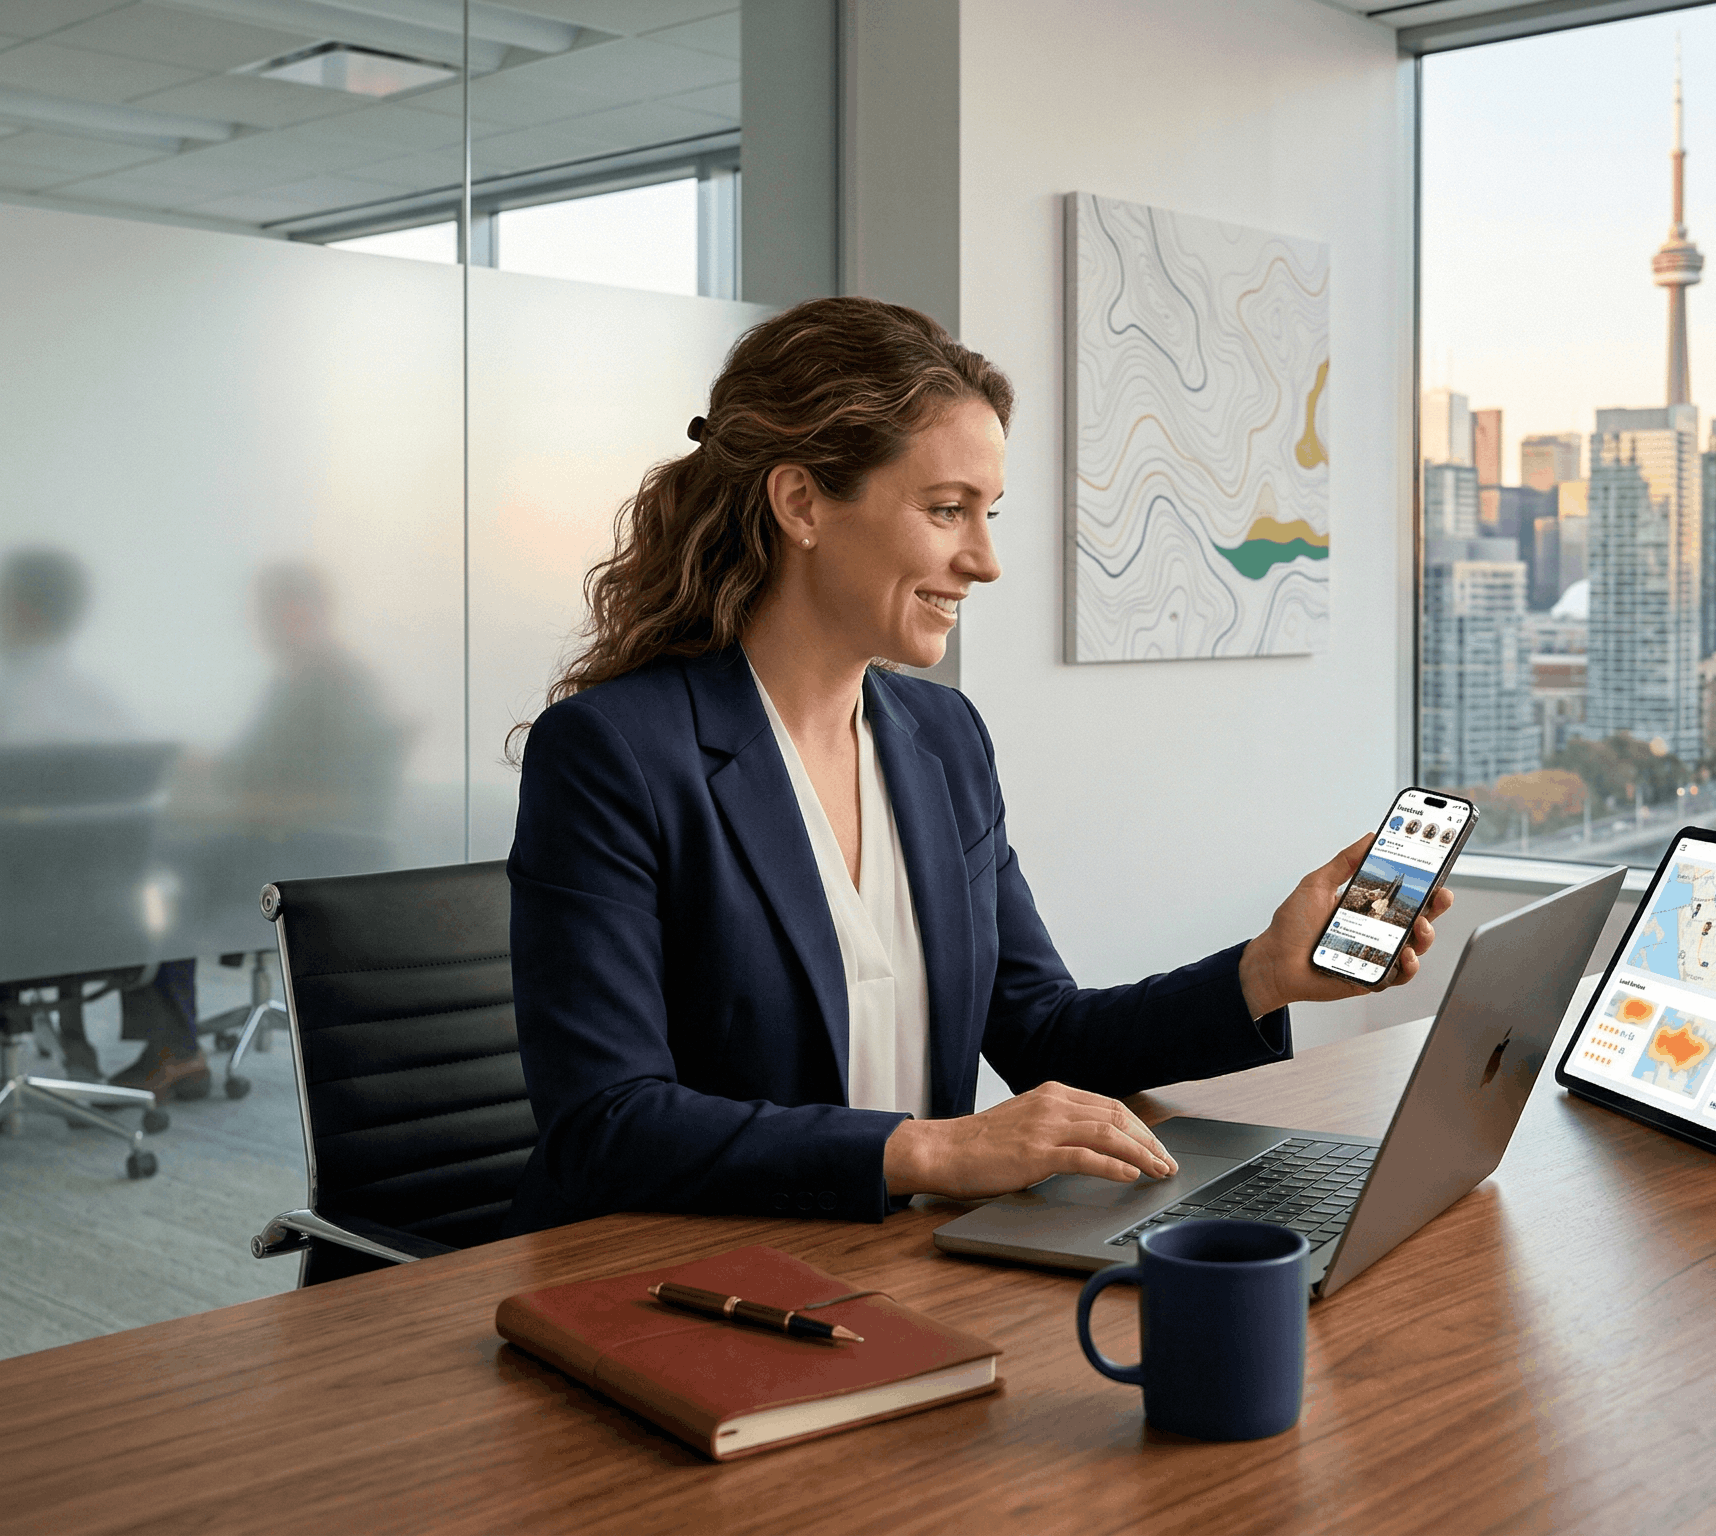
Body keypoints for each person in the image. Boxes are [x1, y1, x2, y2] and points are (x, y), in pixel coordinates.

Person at [503, 297, 1453, 1238]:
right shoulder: (612, 753)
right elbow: (604, 1123)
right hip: (692, 1284)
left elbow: (1044, 1030)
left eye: (988, 513)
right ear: (801, 504)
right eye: (948, 510)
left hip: (907, 1267)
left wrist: (1265, 972)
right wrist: (935, 1151)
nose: (987, 561)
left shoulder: (942, 738)